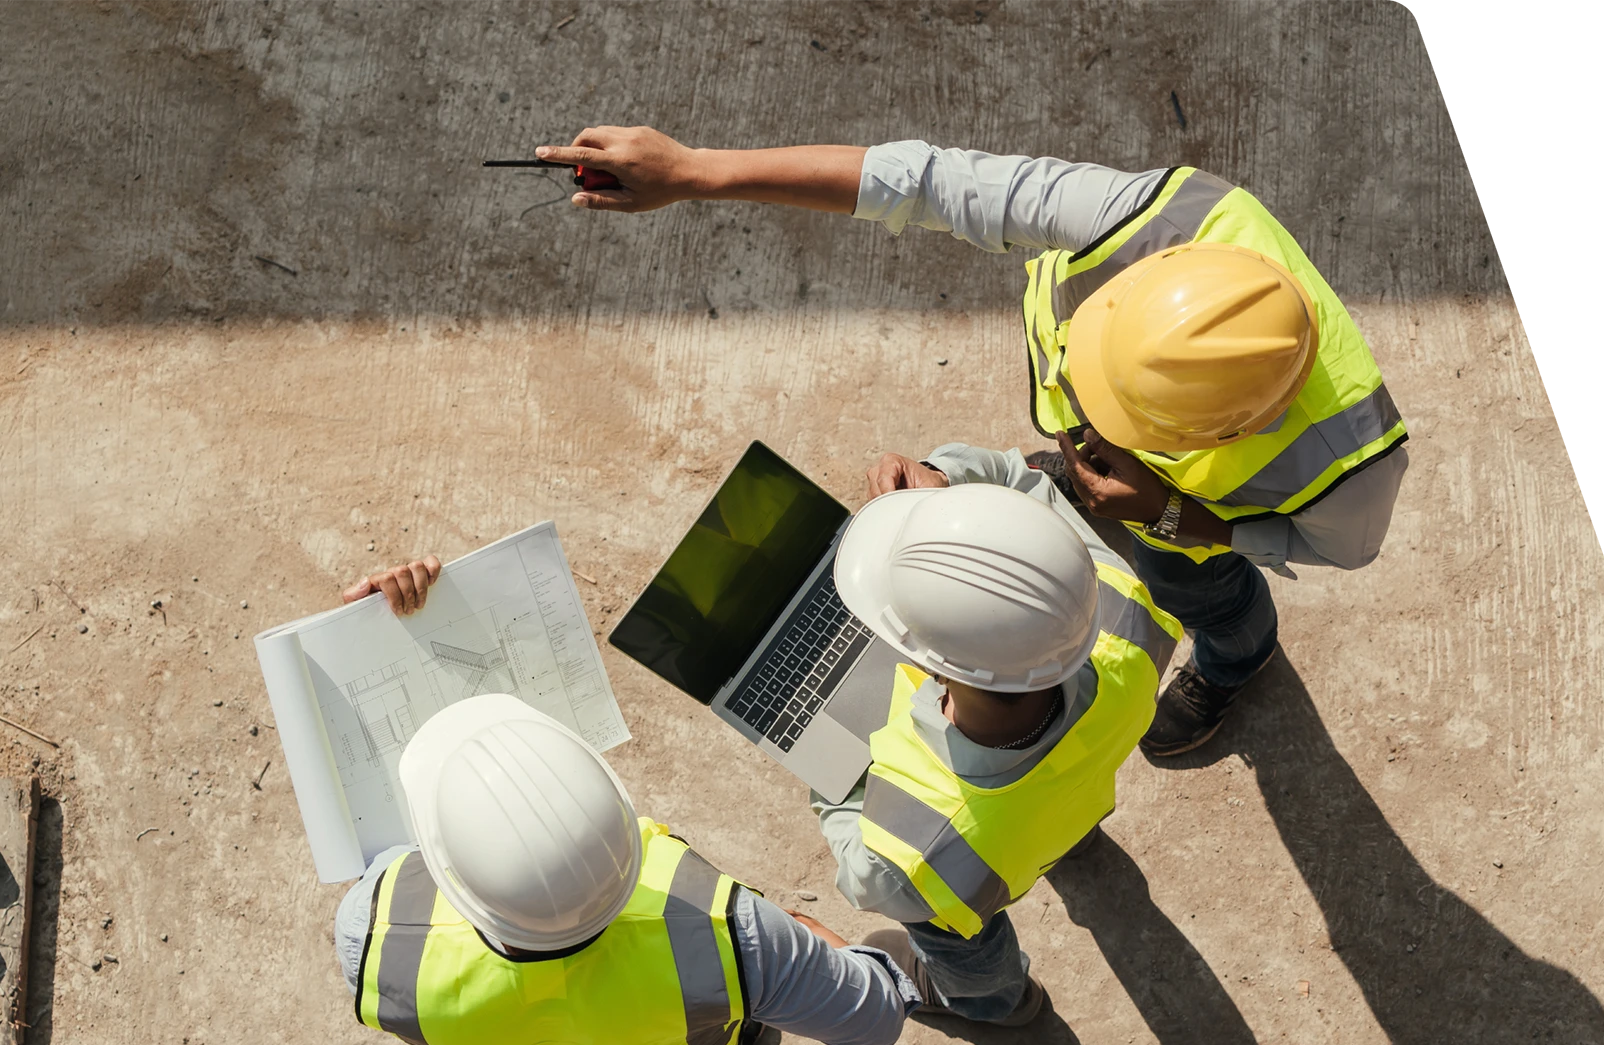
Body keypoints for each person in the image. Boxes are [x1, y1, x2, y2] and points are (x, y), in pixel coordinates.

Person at [527, 128, 1409, 755]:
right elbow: (924, 181)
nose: (1083, 417)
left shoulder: (1354, 472)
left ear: (1229, 428)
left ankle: (1239, 654)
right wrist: (696, 171)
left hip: (1187, 526)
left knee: (1203, 592)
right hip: (1148, 489)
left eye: (1117, 416)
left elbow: (1335, 550)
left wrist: (1178, 518)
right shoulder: (1149, 218)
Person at [333, 559, 920, 1045]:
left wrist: (369, 640)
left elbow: (384, 846)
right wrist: (793, 936)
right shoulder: (730, 932)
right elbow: (875, 1016)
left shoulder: (373, 937)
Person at [815, 444, 1181, 1024]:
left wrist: (826, 774)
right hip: (1061, 804)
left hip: (973, 870)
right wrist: (946, 484)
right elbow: (1022, 486)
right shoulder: (1122, 614)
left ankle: (996, 1002)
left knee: (956, 937)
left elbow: (864, 878)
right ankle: (1072, 844)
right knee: (1053, 815)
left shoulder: (910, 855)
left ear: (928, 667)